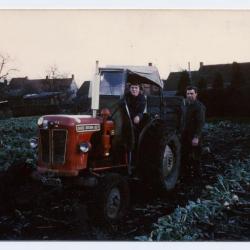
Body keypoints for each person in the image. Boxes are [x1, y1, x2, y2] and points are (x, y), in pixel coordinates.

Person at [181, 85, 206, 183]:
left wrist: (196, 137)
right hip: (185, 136)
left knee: (195, 158)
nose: (189, 95)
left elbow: (200, 123)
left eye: (192, 93)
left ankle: (197, 180)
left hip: (194, 136)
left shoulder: (199, 106)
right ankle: (187, 177)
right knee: (185, 157)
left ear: (196, 94)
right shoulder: (185, 105)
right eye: (188, 93)